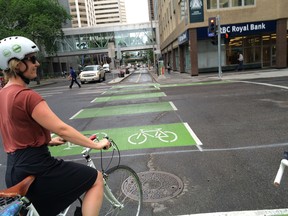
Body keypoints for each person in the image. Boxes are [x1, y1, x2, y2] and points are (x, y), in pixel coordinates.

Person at [0, 36, 110, 216]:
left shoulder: (3, 94)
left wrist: (46, 141)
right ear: (17, 64)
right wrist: (97, 144)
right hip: (39, 168)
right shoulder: (27, 96)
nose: (37, 64)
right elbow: (62, 129)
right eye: (32, 59)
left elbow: (15, 130)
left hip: (14, 170)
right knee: (96, 178)